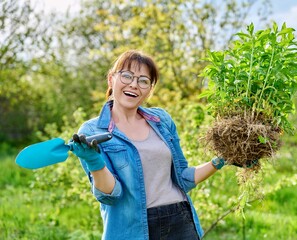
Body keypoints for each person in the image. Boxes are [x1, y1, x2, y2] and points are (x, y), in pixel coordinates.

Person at [70, 50, 226, 240]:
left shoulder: (161, 121)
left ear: (150, 89)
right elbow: (111, 195)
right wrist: (94, 161)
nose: (134, 85)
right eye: (127, 76)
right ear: (111, 79)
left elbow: (183, 178)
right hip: (133, 230)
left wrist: (221, 160)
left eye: (143, 81)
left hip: (181, 221)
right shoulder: (92, 131)